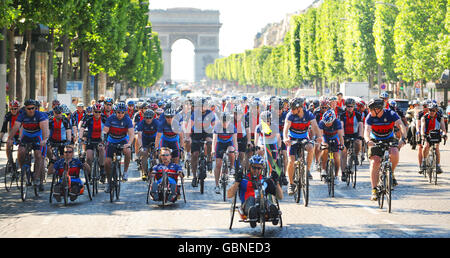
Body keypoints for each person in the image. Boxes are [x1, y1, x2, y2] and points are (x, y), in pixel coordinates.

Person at [364, 98, 406, 201]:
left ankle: (390, 173)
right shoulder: (370, 117)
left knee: (395, 152)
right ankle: (374, 190)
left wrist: (403, 138)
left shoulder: (390, 114)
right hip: (375, 139)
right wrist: (368, 140)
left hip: (389, 137)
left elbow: (401, 124)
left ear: (378, 109)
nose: (369, 111)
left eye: (371, 109)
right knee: (375, 162)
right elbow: (366, 131)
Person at [227, 155, 283, 228]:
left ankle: (273, 213)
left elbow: (280, 197)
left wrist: (276, 182)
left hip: (263, 205)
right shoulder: (243, 180)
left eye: (259, 168)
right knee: (251, 199)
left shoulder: (266, 181)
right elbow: (229, 195)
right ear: (250, 167)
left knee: (266, 201)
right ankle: (252, 213)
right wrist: (237, 181)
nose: (256, 170)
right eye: (254, 167)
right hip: (247, 206)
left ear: (262, 169)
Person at [7, 99, 49, 191]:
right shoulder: (22, 115)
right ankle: (24, 172)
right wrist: (10, 138)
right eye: (28, 109)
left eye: (32, 108)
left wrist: (45, 139)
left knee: (38, 155)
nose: (30, 110)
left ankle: (37, 178)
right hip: (26, 135)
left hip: (37, 135)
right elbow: (16, 127)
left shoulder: (40, 115)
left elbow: (45, 129)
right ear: (25, 108)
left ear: (35, 108)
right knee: (21, 151)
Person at [284, 98, 322, 195]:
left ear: (300, 108)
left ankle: (307, 170)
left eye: (293, 108)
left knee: (310, 147)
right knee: (291, 161)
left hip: (304, 137)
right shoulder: (290, 115)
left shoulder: (308, 114)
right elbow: (286, 127)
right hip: (292, 138)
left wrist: (319, 137)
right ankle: (291, 184)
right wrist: (285, 138)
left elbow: (315, 126)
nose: (291, 110)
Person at [103, 102, 134, 191]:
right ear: (115, 112)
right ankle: (108, 182)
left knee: (127, 151)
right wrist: (104, 140)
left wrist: (129, 144)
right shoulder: (111, 118)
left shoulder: (127, 120)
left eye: (122, 112)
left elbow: (131, 134)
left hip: (123, 139)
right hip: (111, 140)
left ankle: (125, 172)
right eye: (118, 112)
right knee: (107, 162)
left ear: (125, 113)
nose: (120, 114)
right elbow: (105, 131)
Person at [188, 99, 214, 187]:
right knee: (194, 155)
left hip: (207, 132)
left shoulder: (210, 113)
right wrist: (188, 137)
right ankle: (194, 177)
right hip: (196, 133)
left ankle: (209, 159)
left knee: (209, 142)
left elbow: (214, 124)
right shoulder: (195, 113)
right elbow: (190, 125)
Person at [212, 112, 238, 194]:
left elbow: (235, 140)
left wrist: (236, 150)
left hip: (228, 143)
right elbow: (214, 140)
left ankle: (232, 166)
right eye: (223, 122)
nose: (225, 123)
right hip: (220, 144)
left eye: (226, 121)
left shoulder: (232, 127)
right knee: (218, 164)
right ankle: (216, 185)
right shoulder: (217, 126)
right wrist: (213, 150)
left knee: (231, 150)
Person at [80, 103, 106, 182]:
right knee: (89, 158)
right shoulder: (88, 118)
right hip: (90, 139)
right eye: (96, 112)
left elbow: (109, 128)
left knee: (101, 150)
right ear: (93, 111)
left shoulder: (104, 118)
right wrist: (80, 138)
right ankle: (88, 175)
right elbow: (82, 128)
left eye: (99, 112)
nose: (97, 114)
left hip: (100, 139)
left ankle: (102, 169)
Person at [339, 98, 363, 181]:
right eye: (348, 106)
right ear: (345, 106)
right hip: (345, 134)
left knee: (358, 143)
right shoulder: (342, 115)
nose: (350, 108)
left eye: (352, 106)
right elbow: (341, 126)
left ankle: (355, 155)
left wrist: (360, 136)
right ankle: (343, 173)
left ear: (354, 107)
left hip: (355, 134)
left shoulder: (358, 114)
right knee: (344, 153)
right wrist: (342, 136)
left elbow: (360, 126)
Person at [420, 103, 447, 174]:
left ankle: (438, 165)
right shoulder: (424, 118)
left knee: (437, 148)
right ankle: (423, 162)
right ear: (428, 110)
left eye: (433, 110)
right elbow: (422, 127)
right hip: (427, 134)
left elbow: (443, 128)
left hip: (436, 134)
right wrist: (422, 135)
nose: (431, 112)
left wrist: (444, 134)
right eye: (430, 110)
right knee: (426, 146)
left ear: (436, 110)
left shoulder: (440, 117)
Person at [318, 110, 344, 182]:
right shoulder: (321, 122)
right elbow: (320, 135)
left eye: (329, 123)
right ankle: (323, 169)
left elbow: (340, 135)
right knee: (325, 150)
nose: (327, 124)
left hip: (335, 137)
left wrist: (342, 144)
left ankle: (336, 175)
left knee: (336, 156)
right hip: (325, 137)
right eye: (326, 123)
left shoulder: (337, 122)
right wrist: (323, 143)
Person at [47, 105, 72, 176]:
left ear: (61, 112)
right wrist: (47, 140)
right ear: (53, 113)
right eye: (56, 113)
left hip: (63, 142)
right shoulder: (50, 120)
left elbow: (68, 131)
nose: (58, 114)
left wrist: (69, 141)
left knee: (63, 158)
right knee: (48, 149)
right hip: (53, 141)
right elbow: (47, 132)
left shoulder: (65, 120)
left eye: (59, 113)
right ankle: (51, 160)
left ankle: (64, 173)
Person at [136, 110, 159, 181]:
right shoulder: (141, 123)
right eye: (146, 118)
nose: (148, 119)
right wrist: (141, 147)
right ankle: (144, 172)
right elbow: (139, 136)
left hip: (154, 139)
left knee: (155, 154)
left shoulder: (156, 123)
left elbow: (159, 135)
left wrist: (157, 146)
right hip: (145, 139)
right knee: (144, 154)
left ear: (153, 117)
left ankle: (156, 170)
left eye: (150, 117)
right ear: (144, 118)